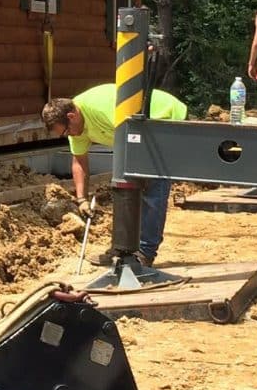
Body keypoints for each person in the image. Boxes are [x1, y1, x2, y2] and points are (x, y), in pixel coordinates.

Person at [41, 83, 187, 267]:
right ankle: (121, 249)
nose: (68, 135)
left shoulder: (102, 108)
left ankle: (145, 253)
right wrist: (81, 199)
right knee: (124, 187)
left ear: (71, 116)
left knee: (152, 187)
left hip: (163, 118)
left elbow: (134, 137)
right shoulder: (76, 126)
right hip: (136, 133)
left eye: (66, 131)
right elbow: (79, 162)